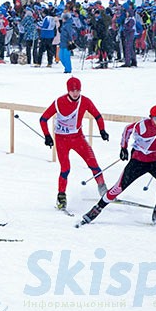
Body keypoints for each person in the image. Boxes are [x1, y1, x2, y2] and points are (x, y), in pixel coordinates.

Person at [79, 105, 156, 226]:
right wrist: (123, 148)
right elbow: (127, 130)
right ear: (151, 118)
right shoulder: (143, 126)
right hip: (138, 161)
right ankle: (96, 209)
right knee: (118, 188)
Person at [39, 77, 111, 211]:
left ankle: (103, 190)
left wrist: (102, 130)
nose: (75, 93)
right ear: (68, 91)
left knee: (93, 163)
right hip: (61, 140)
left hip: (78, 138)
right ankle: (61, 196)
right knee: (65, 168)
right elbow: (43, 119)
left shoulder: (85, 101)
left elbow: (97, 115)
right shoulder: (59, 102)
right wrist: (47, 136)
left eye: (78, 90)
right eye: (73, 91)